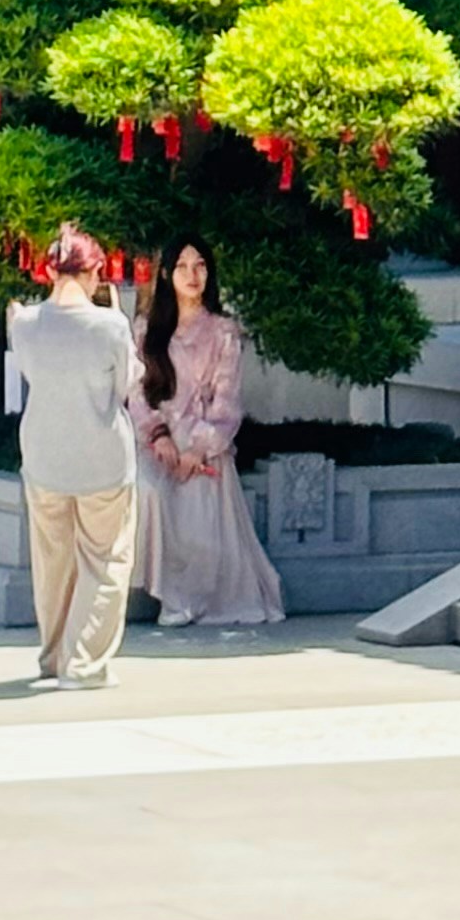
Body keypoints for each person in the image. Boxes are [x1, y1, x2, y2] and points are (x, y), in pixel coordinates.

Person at [6, 220, 137, 690]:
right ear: (93, 271)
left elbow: (31, 375)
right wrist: (118, 317)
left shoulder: (24, 323)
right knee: (105, 561)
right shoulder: (110, 325)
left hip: (43, 454)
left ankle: (53, 656)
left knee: (52, 563)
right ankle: (85, 664)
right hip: (102, 456)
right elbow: (125, 385)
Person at [131, 238, 283, 631]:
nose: (192, 275)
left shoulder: (223, 331)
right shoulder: (147, 331)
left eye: (200, 266)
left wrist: (198, 448)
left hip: (204, 441)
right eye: (182, 266)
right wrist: (158, 435)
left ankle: (192, 598)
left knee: (198, 504)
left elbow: (227, 401)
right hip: (158, 442)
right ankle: (169, 593)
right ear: (166, 274)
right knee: (150, 491)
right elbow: (137, 393)